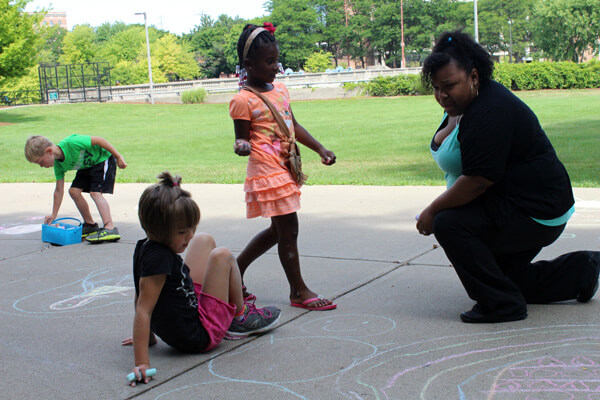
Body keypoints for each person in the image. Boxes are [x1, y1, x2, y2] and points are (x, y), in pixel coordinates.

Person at [417, 30, 600, 323]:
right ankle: (581, 271)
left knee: (449, 224)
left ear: (474, 77)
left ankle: (502, 305)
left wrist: (432, 209)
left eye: (449, 86)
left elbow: (478, 182)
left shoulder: (489, 112)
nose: (441, 95)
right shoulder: (468, 104)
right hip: (530, 202)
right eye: (436, 87)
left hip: (535, 210)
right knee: (500, 276)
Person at [122, 171, 281, 386]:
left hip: (189, 309)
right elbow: (144, 308)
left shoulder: (145, 247)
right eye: (181, 232)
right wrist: (142, 362)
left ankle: (234, 313)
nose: (189, 236)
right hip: (199, 335)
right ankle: (240, 318)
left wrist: (149, 337)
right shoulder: (159, 261)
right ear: (158, 229)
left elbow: (140, 294)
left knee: (204, 240)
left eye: (191, 228)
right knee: (222, 256)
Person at [229, 23, 337, 311]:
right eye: (269, 62)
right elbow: (241, 140)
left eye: (277, 59)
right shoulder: (243, 100)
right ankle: (298, 291)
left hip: (285, 166)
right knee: (288, 229)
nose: (276, 66)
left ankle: (233, 272)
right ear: (249, 64)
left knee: (280, 231)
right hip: (266, 171)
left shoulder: (281, 90)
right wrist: (242, 147)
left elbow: (293, 125)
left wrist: (320, 149)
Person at [24, 134, 127, 242]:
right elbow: (59, 190)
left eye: (40, 162)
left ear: (49, 151)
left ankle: (109, 227)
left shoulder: (72, 143)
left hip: (101, 159)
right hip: (87, 165)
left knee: (95, 193)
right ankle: (90, 225)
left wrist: (118, 157)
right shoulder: (58, 165)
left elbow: (100, 140)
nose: (41, 166)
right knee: (73, 191)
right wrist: (54, 214)